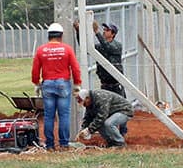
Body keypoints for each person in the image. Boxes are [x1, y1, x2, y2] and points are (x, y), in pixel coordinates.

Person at [30, 22, 82, 151]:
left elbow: (35, 69)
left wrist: (36, 83)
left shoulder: (41, 50)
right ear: (61, 35)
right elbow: (75, 68)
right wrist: (77, 84)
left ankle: (50, 146)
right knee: (64, 115)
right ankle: (64, 144)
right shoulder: (67, 49)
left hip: (47, 84)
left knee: (49, 116)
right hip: (63, 84)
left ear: (49, 35)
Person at [91, 18, 124, 95]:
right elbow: (86, 48)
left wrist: (96, 32)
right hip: (105, 84)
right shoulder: (100, 46)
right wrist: (79, 32)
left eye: (107, 30)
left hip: (116, 85)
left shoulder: (117, 46)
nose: (104, 31)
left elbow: (108, 47)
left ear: (113, 34)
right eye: (104, 29)